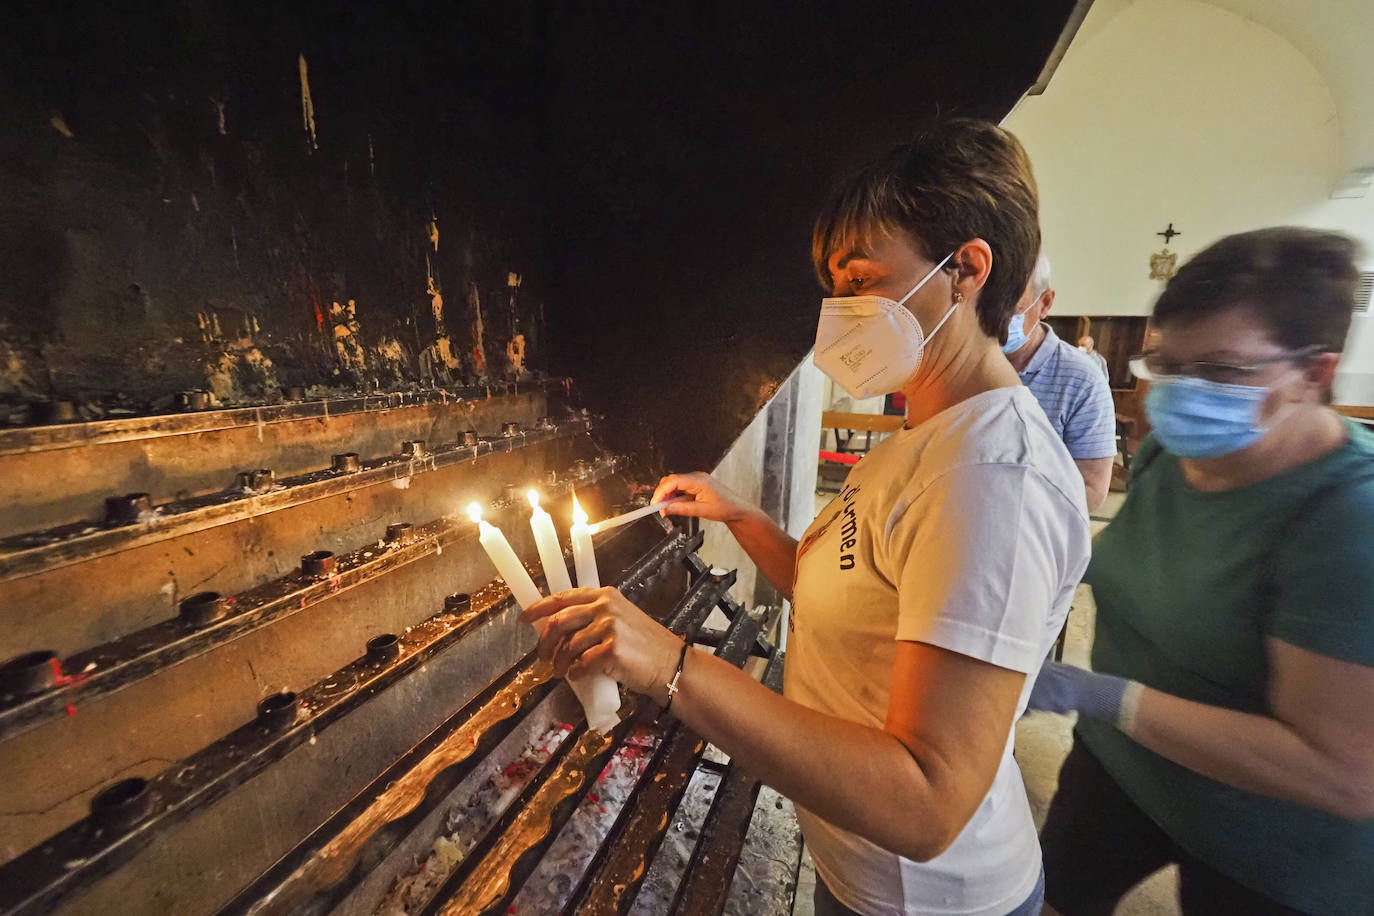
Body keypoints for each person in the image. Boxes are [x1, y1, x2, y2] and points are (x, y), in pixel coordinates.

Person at [524, 118, 1090, 916]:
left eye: (861, 280)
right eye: (834, 285)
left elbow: (926, 803)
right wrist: (743, 516)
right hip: (856, 870)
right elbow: (859, 601)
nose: (839, 309)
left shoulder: (995, 476)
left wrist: (670, 662)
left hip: (927, 900)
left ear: (965, 269)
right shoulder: (928, 433)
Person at [1027, 227, 1374, 915]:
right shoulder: (1173, 458)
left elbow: (1342, 772)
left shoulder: (1348, 521)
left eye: (1220, 370)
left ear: (1315, 373)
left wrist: (1101, 696)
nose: (1178, 396)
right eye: (1166, 364)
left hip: (1269, 850)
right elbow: (1143, 562)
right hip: (1120, 773)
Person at [1002, 255, 1117, 510]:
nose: (997, 319)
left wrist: (1005, 500)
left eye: (1013, 308)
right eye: (985, 306)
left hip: (1033, 531)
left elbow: (1091, 490)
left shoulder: (1084, 381)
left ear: (1045, 303)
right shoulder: (962, 361)